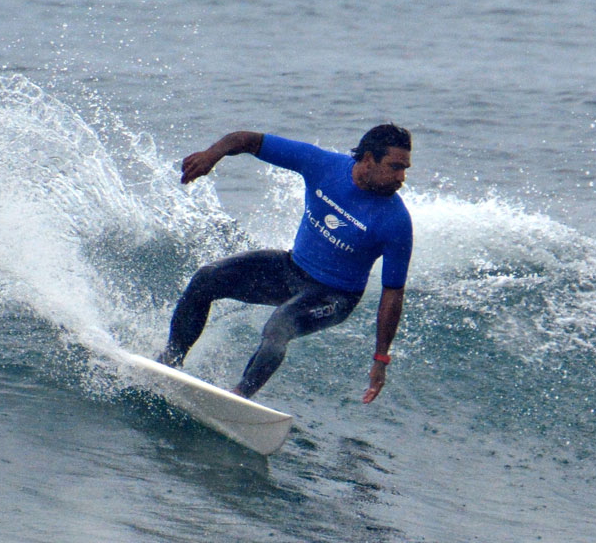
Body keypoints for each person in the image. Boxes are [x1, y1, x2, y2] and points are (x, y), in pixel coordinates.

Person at [158, 124, 413, 404]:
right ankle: (170, 362)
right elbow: (247, 140)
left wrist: (380, 358)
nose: (401, 178)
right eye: (395, 167)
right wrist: (211, 155)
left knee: (279, 327)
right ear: (368, 159)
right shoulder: (323, 165)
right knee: (206, 279)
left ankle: (238, 399)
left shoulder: (396, 222)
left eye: (404, 169)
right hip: (291, 268)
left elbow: (393, 293)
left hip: (335, 296)